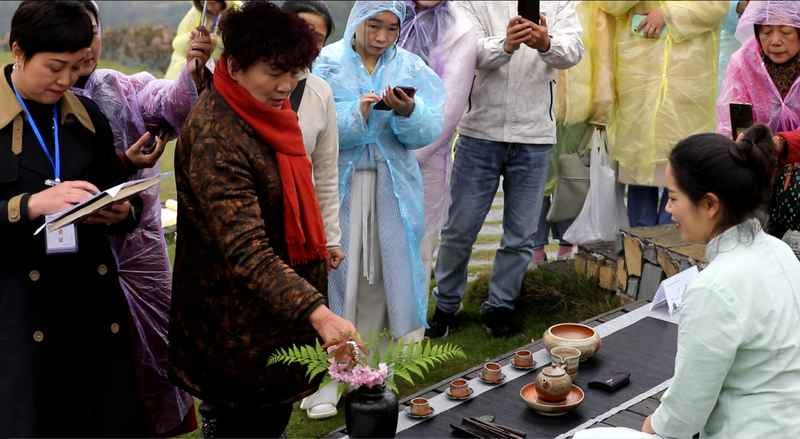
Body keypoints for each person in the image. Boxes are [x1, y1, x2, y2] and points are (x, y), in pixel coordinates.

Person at [168, 2, 357, 437]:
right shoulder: (217, 134)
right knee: (244, 424)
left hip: (274, 310)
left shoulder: (266, 113)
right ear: (235, 66)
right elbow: (246, 249)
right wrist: (320, 315)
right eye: (274, 73)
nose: (286, 86)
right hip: (234, 321)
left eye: (294, 73)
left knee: (269, 421)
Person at [575, 124, 800, 439]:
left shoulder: (714, 287)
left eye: (673, 198)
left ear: (710, 204)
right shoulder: (780, 251)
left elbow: (683, 418)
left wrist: (653, 425)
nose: (668, 209)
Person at [0, 1, 146, 436]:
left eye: (77, 66)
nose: (66, 80)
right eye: (55, 67)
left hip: (90, 305)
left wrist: (120, 211)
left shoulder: (86, 115)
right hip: (17, 310)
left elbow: (120, 191)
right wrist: (29, 205)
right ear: (18, 51)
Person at [70, 1, 214, 435]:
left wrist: (192, 71)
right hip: (74, 252)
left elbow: (167, 102)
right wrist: (122, 165)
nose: (86, 45)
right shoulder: (39, 100)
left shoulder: (117, 86)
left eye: (92, 31)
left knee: (150, 353)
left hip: (138, 250)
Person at [427, 1, 583, 339]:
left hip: (535, 134)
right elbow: (465, 52)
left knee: (520, 234)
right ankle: (446, 304)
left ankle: (500, 306)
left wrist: (546, 43)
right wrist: (507, 44)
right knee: (459, 229)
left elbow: (574, 50)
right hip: (479, 130)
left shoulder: (560, 2)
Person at [314, 1, 445, 344]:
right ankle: (335, 353)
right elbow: (311, 123)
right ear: (357, 19)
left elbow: (431, 128)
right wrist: (356, 113)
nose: (381, 37)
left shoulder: (410, 65)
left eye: (392, 28)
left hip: (393, 185)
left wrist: (409, 111)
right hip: (338, 184)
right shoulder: (325, 62)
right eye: (373, 26)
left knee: (387, 268)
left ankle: (381, 358)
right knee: (341, 267)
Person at [597, 1, 728, 228]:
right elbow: (610, 4)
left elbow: (716, 6)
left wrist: (669, 13)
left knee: (684, 169)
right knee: (638, 166)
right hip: (638, 77)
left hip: (688, 79)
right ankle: (639, 238)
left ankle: (674, 236)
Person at [281, 0, 345, 421]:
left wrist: (331, 238)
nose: (309, 40)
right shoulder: (245, 80)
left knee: (300, 313)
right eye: (301, 28)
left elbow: (324, 172)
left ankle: (309, 387)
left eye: (318, 36)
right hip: (248, 219)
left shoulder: (320, 92)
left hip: (300, 225)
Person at [398, 0, 477, 294]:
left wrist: (407, 155)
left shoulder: (458, 27)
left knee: (415, 251)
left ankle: (409, 325)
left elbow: (449, 107)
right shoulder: (388, 11)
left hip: (422, 160)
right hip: (369, 154)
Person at [531, 1, 615, 267]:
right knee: (533, 180)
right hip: (535, 104)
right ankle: (534, 247)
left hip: (577, 107)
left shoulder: (591, 7)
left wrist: (601, 108)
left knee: (572, 177)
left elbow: (603, 56)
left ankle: (567, 244)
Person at [716, 1, 799, 139]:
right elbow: (731, 123)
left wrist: (784, 144)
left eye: (786, 32)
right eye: (766, 31)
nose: (775, 41)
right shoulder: (745, 62)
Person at [163, 0, 242, 80]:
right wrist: (190, 38)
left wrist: (216, 43)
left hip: (225, 71)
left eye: (213, 3)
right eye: (204, 3)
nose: (209, 7)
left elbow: (240, 48)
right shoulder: (195, 14)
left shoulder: (238, 12)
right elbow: (177, 43)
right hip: (191, 70)